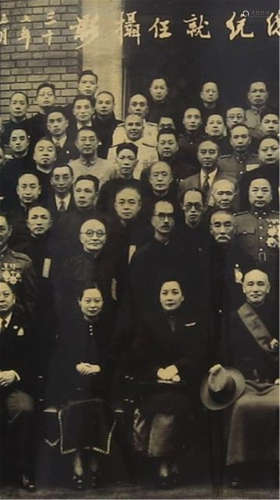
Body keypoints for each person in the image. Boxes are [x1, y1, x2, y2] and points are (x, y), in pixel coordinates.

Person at [117, 278, 207, 487]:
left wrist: (177, 369)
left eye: (174, 292)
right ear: (158, 297)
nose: (169, 297)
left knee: (178, 403)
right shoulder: (147, 321)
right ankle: (165, 463)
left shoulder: (193, 320)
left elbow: (199, 352)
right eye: (165, 293)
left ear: (182, 297)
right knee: (163, 403)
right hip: (153, 383)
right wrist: (158, 371)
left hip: (185, 382)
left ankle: (169, 460)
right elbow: (138, 355)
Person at [201, 269, 279, 486]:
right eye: (251, 284)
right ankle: (239, 467)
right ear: (243, 288)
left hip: (275, 382)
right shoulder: (233, 318)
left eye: (260, 284)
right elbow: (224, 354)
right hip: (245, 382)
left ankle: (275, 465)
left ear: (269, 288)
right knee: (242, 407)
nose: (255, 289)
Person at [45, 285, 115, 489]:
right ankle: (77, 461)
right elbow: (59, 359)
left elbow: (116, 357)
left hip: (101, 385)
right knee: (76, 406)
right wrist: (76, 365)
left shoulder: (109, 327)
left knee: (96, 406)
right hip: (73, 384)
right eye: (88, 301)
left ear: (103, 302)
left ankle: (94, 461)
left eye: (97, 301)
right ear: (79, 302)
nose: (93, 305)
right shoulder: (68, 327)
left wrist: (99, 367)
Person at [0, 281, 36, 491]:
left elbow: (36, 359)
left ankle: (25, 471)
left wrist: (14, 374)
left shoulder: (28, 323)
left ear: (14, 298)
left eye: (6, 294)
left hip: (17, 385)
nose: (1, 298)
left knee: (24, 409)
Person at [234, 178, 279, 291]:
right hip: (246, 275)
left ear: (272, 196)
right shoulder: (237, 220)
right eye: (255, 190)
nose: (259, 195)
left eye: (265, 191)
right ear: (248, 194)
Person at [0, 212, 37, 319]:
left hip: (13, 325)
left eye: (1, 229)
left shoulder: (22, 262)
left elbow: (30, 300)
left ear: (9, 231)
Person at [179, 139, 233, 206]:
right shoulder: (186, 183)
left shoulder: (230, 181)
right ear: (197, 155)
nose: (207, 156)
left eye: (212, 152)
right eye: (203, 152)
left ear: (219, 155)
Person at [108, 114, 158, 179]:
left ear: (143, 128)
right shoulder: (113, 150)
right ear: (124, 127)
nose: (134, 128)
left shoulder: (151, 151)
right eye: (130, 124)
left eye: (138, 125)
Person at [96, 143, 141, 214]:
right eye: (122, 158)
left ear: (136, 162)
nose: (126, 162)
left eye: (130, 158)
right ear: (116, 160)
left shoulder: (142, 187)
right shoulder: (107, 187)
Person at [239, 137, 279, 210]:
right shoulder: (248, 177)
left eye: (274, 149)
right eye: (264, 150)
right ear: (258, 153)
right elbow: (244, 206)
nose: (269, 153)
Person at [92, 91, 122, 158]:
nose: (104, 106)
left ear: (113, 105)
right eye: (100, 103)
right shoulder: (89, 127)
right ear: (95, 106)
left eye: (107, 103)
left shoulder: (120, 127)